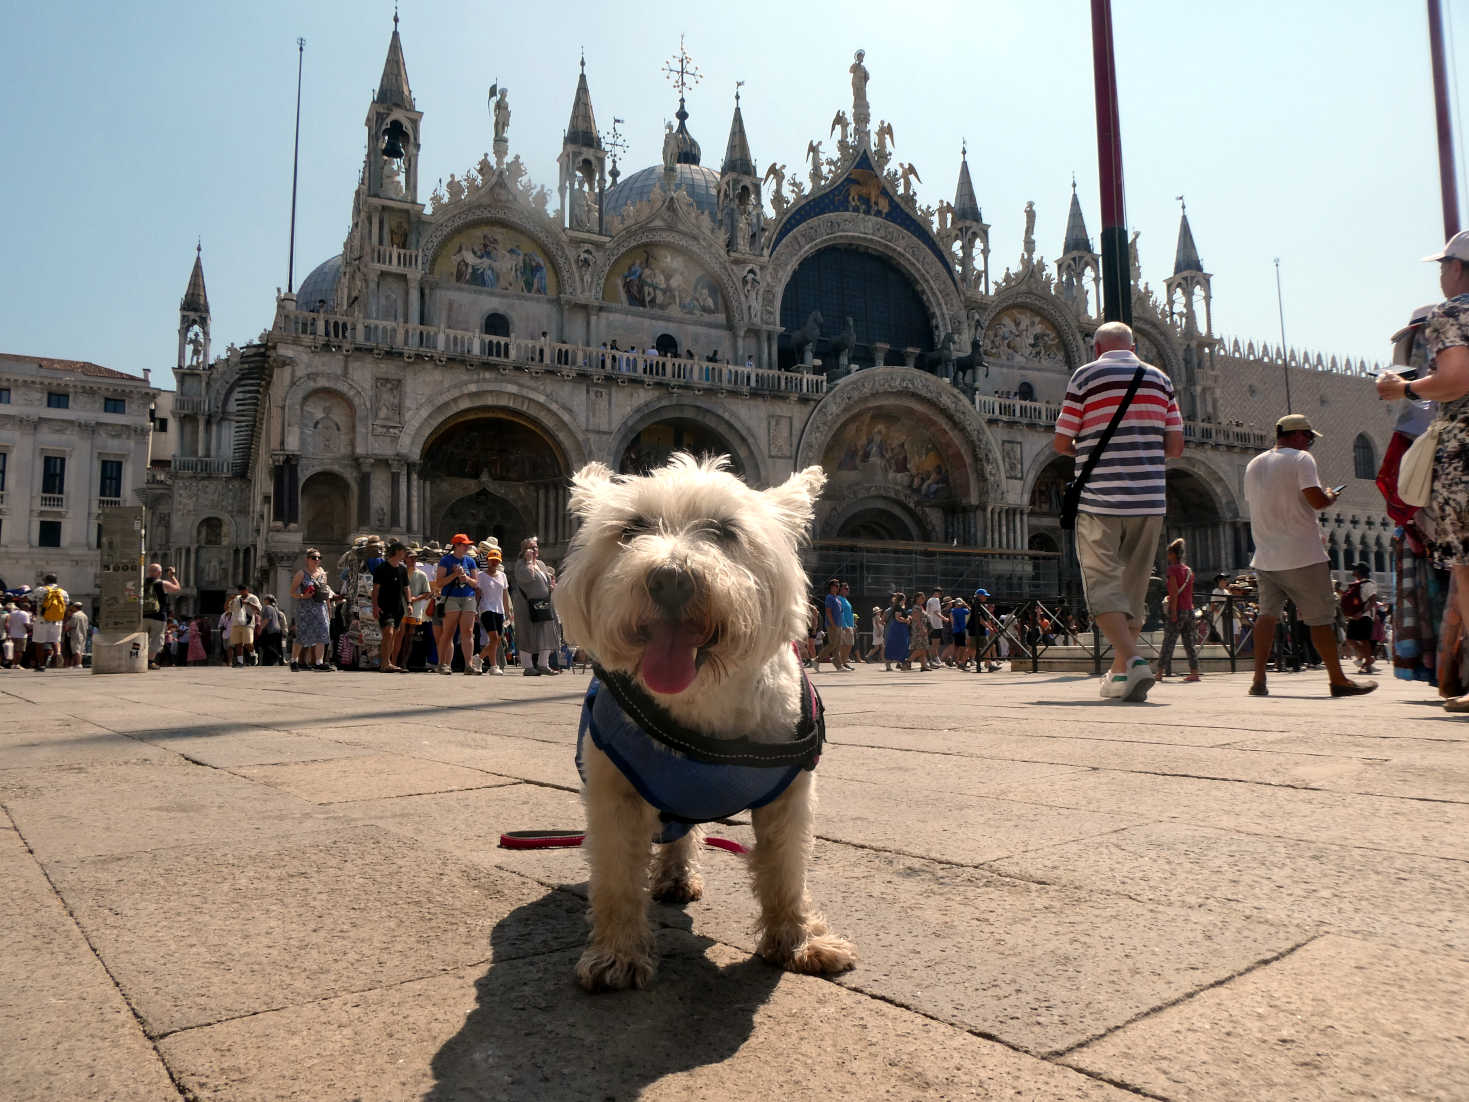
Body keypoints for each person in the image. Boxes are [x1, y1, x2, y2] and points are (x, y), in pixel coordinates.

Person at [1052, 321, 1184, 702]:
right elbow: (1175, 446)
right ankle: (1119, 676)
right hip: (1149, 501)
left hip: (1099, 500)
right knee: (1134, 588)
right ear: (1134, 346)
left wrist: (1091, 446)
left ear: (1096, 349)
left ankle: (1132, 658)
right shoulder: (1160, 379)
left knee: (1102, 585)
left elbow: (1062, 441)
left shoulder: (1086, 376)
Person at [1378, 234, 1469, 706]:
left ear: (1456, 269)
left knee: (1467, 569)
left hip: (1465, 455)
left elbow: (1455, 379)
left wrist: (1404, 389)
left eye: (1444, 265)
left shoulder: (1452, 313)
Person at [1243, 414, 1376, 698]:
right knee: (1320, 619)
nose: (1309, 444)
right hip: (1302, 554)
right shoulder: (1302, 460)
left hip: (1266, 556)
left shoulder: (1254, 464)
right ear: (1299, 435)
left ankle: (1258, 679)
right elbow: (1316, 502)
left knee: (1267, 616)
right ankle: (1338, 679)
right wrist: (1330, 496)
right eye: (1309, 438)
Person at [510, 535, 558, 675]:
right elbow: (527, 577)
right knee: (527, 633)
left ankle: (543, 664)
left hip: (543, 603)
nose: (535, 549)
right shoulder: (521, 564)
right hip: (526, 604)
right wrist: (529, 561)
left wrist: (550, 586)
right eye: (531, 547)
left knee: (546, 632)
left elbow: (546, 581)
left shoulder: (541, 564)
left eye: (536, 547)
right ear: (524, 550)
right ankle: (528, 667)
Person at [436, 534, 481, 675]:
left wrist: (465, 578)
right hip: (451, 598)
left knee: (468, 632)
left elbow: (475, 583)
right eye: (464, 544)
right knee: (449, 631)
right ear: (456, 545)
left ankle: (468, 665)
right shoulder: (446, 560)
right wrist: (454, 575)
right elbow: (439, 582)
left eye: (467, 544)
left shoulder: (470, 561)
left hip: (468, 598)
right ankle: (443, 664)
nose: (467, 546)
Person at [1158, 538, 1200, 682]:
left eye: (1168, 554)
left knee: (1169, 641)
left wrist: (1173, 612)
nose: (1167, 556)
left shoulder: (1172, 570)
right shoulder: (1188, 570)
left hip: (1178, 609)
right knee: (1189, 643)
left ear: (1173, 554)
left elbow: (1174, 593)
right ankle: (1194, 672)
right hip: (1190, 610)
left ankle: (1159, 672)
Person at [371, 541, 411, 673]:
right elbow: (375, 589)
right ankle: (384, 663)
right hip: (384, 606)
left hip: (398, 607)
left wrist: (409, 603)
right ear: (398, 551)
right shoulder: (381, 568)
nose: (405, 554)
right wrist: (375, 606)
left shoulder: (403, 569)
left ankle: (389, 662)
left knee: (394, 635)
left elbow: (406, 588)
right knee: (388, 633)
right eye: (404, 551)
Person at [291, 548, 333, 671]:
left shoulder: (323, 573)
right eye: (314, 558)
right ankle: (294, 660)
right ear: (307, 559)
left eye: (319, 558)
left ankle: (319, 663)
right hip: (305, 608)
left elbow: (326, 592)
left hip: (321, 607)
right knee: (302, 635)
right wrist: (303, 596)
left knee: (323, 633)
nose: (317, 560)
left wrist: (329, 609)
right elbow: (292, 592)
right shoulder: (301, 573)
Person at [474, 543, 509, 675]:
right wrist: (475, 611)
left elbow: (505, 594)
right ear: (487, 560)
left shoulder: (502, 576)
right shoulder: (481, 576)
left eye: (496, 560)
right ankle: (487, 662)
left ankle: (484, 661)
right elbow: (478, 594)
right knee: (494, 638)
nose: (494, 562)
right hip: (486, 608)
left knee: (497, 639)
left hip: (499, 610)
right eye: (492, 560)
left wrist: (508, 611)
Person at [1340, 561, 1380, 674]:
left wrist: (1361, 613)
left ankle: (1367, 664)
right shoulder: (1355, 585)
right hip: (1354, 616)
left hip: (1365, 616)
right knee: (1350, 639)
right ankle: (1368, 659)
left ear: (1360, 571)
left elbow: (1372, 601)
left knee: (1364, 640)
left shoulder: (1369, 584)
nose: (1353, 571)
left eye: (1355, 569)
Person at [143, 563, 182, 670]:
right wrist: (172, 576)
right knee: (156, 639)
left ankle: (136, 659)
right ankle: (150, 662)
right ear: (159, 573)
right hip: (158, 616)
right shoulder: (162, 583)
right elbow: (177, 588)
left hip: (143, 616)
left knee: (140, 639)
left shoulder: (141, 583)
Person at [32, 574, 69, 671]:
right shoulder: (63, 592)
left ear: (46, 581)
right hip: (57, 621)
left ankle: (41, 665)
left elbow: (31, 598)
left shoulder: (40, 590)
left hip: (42, 620)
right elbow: (66, 605)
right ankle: (58, 655)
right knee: (55, 641)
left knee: (39, 642)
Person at [225, 584, 262, 667]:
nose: (242, 592)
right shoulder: (237, 598)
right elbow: (227, 609)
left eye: (243, 590)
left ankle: (253, 654)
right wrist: (228, 600)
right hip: (236, 623)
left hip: (248, 623)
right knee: (238, 643)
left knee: (248, 642)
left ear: (247, 590)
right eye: (240, 591)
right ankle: (240, 662)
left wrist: (248, 603)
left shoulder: (253, 598)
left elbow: (259, 609)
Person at [883, 591, 910, 671]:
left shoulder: (900, 607)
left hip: (900, 628)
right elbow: (897, 617)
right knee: (897, 644)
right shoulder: (898, 607)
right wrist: (906, 620)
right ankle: (892, 663)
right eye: (904, 599)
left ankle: (899, 663)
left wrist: (907, 618)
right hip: (898, 628)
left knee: (899, 644)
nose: (905, 600)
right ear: (902, 599)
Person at [257, 595, 285, 666]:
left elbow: (267, 619)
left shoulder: (268, 607)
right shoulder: (275, 608)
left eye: (264, 599)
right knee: (277, 647)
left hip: (271, 630)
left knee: (266, 645)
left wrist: (260, 628)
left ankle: (276, 655)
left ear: (267, 600)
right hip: (278, 630)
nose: (264, 601)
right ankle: (280, 660)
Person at [5, 599, 31, 669]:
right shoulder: (25, 614)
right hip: (21, 635)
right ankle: (17, 664)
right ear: (25, 608)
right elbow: (26, 625)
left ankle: (13, 664)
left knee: (13, 650)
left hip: (13, 634)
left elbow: (8, 623)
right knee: (19, 651)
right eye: (28, 608)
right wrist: (31, 628)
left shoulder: (12, 613)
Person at [64, 603, 89, 668]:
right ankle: (79, 663)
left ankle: (78, 664)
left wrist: (66, 629)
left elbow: (71, 625)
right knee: (81, 649)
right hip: (83, 634)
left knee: (76, 650)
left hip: (76, 634)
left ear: (75, 607)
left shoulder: (75, 615)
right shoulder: (84, 615)